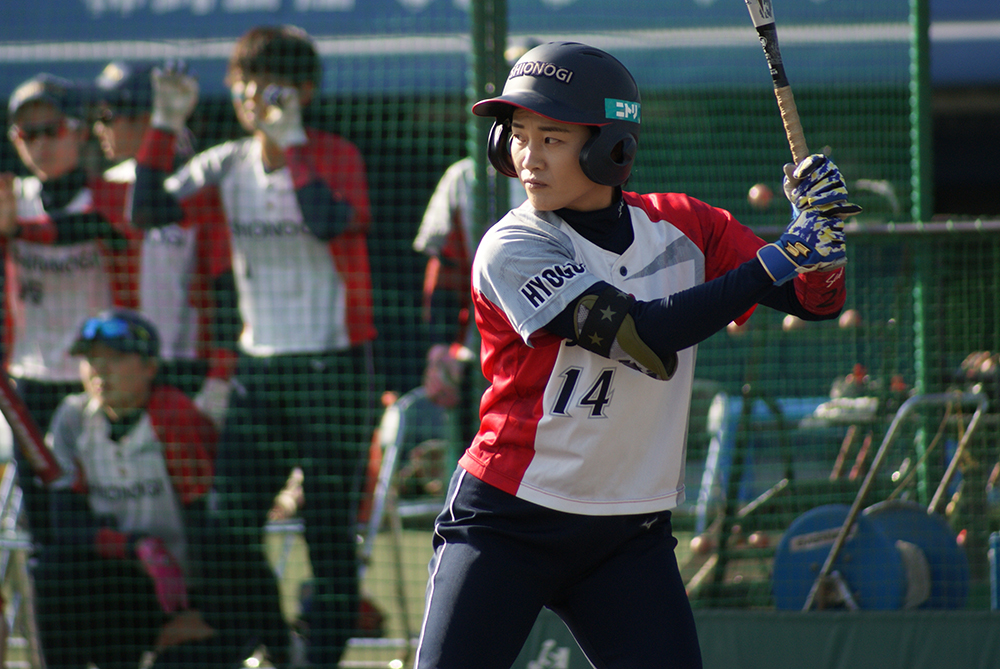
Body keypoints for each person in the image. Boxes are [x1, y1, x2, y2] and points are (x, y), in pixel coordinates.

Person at [413, 41, 860, 669]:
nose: (527, 157)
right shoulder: (512, 245)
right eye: (517, 135)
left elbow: (815, 302)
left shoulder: (686, 224)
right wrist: (782, 255)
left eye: (552, 138)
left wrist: (822, 243)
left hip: (627, 530)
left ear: (611, 148)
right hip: (510, 518)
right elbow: (641, 336)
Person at [129, 25, 377, 667]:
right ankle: (276, 645)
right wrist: (163, 124)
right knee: (226, 525)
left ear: (304, 92)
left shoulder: (335, 154)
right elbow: (145, 211)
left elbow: (326, 223)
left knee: (328, 530)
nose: (251, 97)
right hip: (259, 370)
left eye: (268, 85)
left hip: (333, 368)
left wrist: (292, 143)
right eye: (242, 84)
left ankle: (319, 658)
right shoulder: (225, 162)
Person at [35, 309, 223, 669]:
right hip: (126, 584)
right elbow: (65, 523)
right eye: (90, 359)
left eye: (116, 358)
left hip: (192, 590)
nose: (99, 370)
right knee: (53, 569)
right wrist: (137, 546)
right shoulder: (73, 417)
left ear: (150, 367)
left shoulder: (173, 415)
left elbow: (211, 524)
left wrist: (203, 611)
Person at [0, 73, 135, 548]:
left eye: (50, 130)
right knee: (42, 528)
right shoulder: (12, 199)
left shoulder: (112, 194)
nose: (39, 144)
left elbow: (88, 228)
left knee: (99, 520)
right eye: (27, 134)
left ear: (78, 131)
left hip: (97, 383)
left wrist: (16, 232)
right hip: (30, 383)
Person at [91, 60, 239, 426]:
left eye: (108, 116)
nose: (98, 128)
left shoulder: (201, 184)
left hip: (190, 369)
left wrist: (220, 375)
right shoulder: (106, 188)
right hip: (124, 368)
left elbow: (227, 290)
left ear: (147, 119)